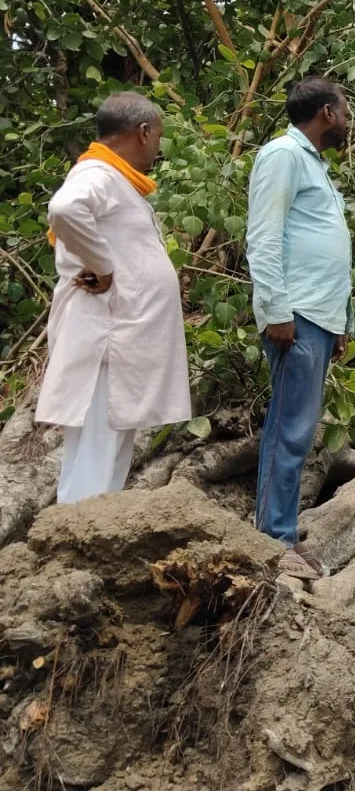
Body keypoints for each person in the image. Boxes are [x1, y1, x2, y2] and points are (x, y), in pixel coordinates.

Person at [37, 92, 191, 503]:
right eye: (157, 136)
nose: (158, 146)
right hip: (106, 340)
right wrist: (104, 268)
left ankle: (92, 541)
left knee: (108, 452)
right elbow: (65, 209)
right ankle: (74, 544)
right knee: (95, 453)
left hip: (119, 343)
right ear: (143, 132)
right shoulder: (98, 175)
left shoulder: (115, 178)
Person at [246, 77, 352, 578]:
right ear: (327, 113)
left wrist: (342, 322)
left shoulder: (315, 165)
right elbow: (263, 236)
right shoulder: (282, 156)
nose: (349, 120)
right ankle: (273, 542)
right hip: (297, 315)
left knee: (299, 430)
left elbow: (325, 248)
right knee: (287, 431)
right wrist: (275, 310)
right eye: (346, 110)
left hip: (319, 317)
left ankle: (280, 534)